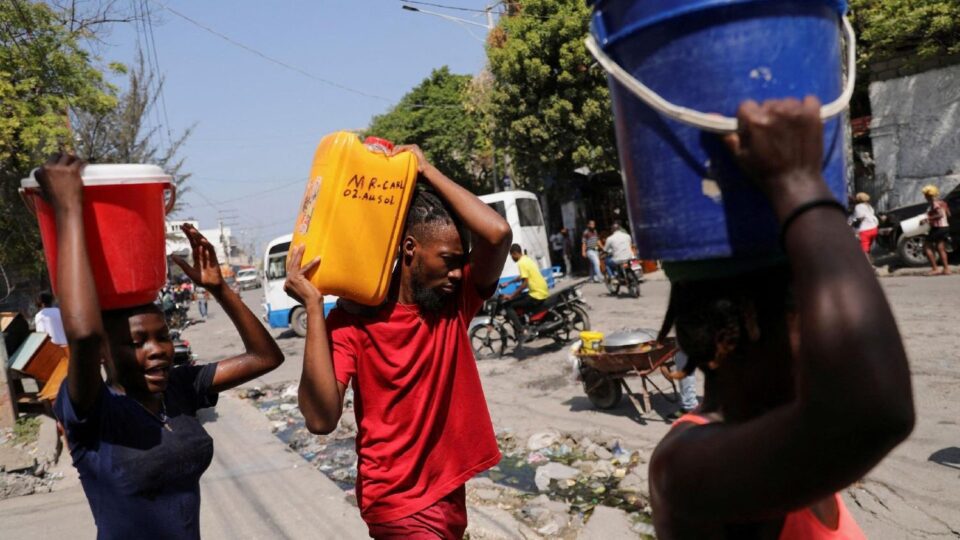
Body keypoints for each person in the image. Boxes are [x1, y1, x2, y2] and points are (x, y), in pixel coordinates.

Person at [649, 98, 914, 538]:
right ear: (727, 335)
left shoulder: (791, 436)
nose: (830, 336)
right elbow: (876, 413)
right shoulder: (685, 466)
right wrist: (799, 183)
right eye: (803, 312)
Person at [38, 154, 285, 539]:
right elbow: (84, 334)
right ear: (104, 354)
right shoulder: (92, 411)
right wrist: (69, 209)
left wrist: (218, 288)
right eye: (137, 342)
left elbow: (266, 357)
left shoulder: (180, 389)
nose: (158, 349)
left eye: (163, 336)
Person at [284, 144, 512, 539]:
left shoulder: (452, 304)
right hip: (397, 501)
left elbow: (498, 233)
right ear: (410, 250)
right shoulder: (353, 321)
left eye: (462, 262)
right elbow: (320, 419)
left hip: (446, 493)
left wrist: (425, 169)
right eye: (449, 260)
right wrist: (314, 306)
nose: (458, 273)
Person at [500, 243, 551, 348]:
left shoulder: (521, 263)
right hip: (541, 290)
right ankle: (524, 323)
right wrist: (508, 283)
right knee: (519, 298)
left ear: (515, 253)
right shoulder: (526, 259)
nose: (511, 258)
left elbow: (525, 283)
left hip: (536, 294)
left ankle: (522, 330)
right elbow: (522, 276)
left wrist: (511, 296)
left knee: (509, 305)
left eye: (511, 255)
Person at [920, 185, 952, 275]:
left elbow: (940, 215)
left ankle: (935, 269)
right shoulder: (943, 202)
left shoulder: (934, 203)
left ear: (929, 195)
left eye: (925, 195)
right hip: (945, 227)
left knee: (926, 246)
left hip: (938, 228)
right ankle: (946, 269)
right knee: (940, 248)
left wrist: (927, 219)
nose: (925, 197)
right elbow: (948, 214)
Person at [851, 192, 879, 258]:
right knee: (868, 247)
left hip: (865, 230)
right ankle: (871, 262)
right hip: (874, 228)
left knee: (864, 249)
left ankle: (868, 265)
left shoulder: (858, 207)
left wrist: (852, 222)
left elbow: (859, 217)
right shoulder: (869, 206)